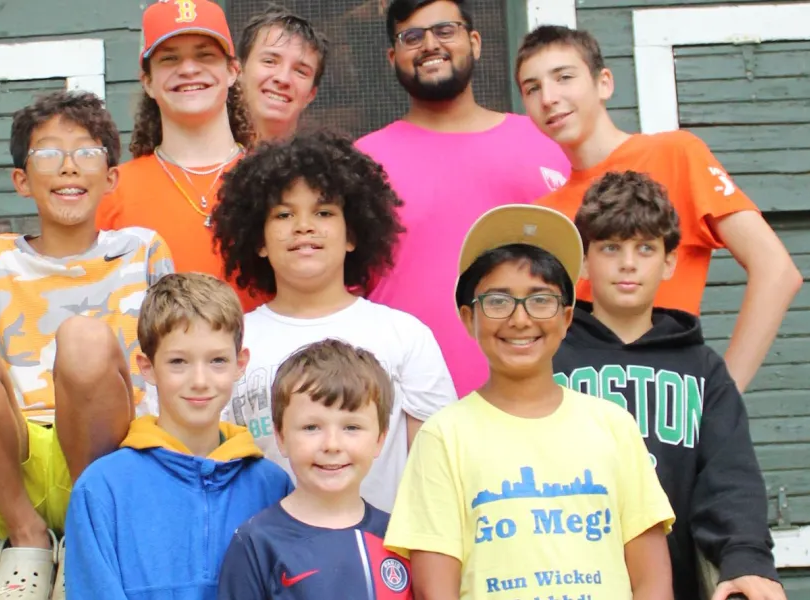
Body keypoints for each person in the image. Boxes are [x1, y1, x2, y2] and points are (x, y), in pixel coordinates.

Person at [0, 90, 174, 600]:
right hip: (18, 454)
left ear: (110, 177)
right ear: (22, 180)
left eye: (86, 152)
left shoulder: (142, 249)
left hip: (112, 449)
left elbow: (172, 353)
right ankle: (28, 539)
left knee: (82, 338)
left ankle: (87, 537)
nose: (67, 167)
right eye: (47, 154)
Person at [384, 204, 676, 600]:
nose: (520, 320)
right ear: (469, 318)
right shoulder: (443, 436)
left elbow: (652, 580)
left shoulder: (613, 425)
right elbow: (436, 588)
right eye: (498, 301)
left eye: (541, 300)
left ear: (567, 317)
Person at [517, 25, 803, 393]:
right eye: (532, 88)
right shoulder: (544, 215)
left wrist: (722, 397)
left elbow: (777, 271)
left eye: (564, 77)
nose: (549, 98)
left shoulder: (677, 154)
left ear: (604, 83)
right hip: (581, 424)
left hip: (670, 406)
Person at [552, 171, 784, 600]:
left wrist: (748, 559)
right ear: (583, 261)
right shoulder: (551, 359)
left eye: (645, 248)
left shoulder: (702, 369)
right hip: (565, 579)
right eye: (610, 247)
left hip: (675, 583)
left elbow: (730, 478)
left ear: (670, 261)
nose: (627, 263)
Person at [211, 131, 455, 512]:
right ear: (258, 240)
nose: (303, 226)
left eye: (323, 212)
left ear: (352, 234)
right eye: (283, 214)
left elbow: (436, 476)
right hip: (262, 561)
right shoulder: (230, 343)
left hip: (382, 560)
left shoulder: (404, 335)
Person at [356, 0, 571, 398]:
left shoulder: (547, 143)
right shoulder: (362, 163)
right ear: (393, 56)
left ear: (474, 42)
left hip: (540, 403)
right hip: (406, 409)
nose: (429, 45)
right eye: (412, 36)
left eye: (444, 30)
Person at [64, 272, 293, 599]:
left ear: (240, 363)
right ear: (147, 367)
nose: (199, 380)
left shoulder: (273, 486)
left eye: (217, 360)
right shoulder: (101, 488)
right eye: (178, 362)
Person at [95, 0, 267, 310]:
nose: (188, 69)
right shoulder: (112, 190)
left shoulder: (274, 179)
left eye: (205, 55)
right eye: (170, 59)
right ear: (147, 81)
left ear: (232, 71)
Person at [217, 339, 416, 599]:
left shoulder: (398, 538)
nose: (332, 445)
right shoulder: (256, 543)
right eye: (311, 427)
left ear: (379, 439)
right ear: (281, 437)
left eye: (351, 427)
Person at [237, 4, 329, 142]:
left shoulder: (325, 162)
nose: (283, 79)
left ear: (311, 94)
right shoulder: (201, 157)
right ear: (238, 70)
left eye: (300, 71)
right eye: (269, 61)